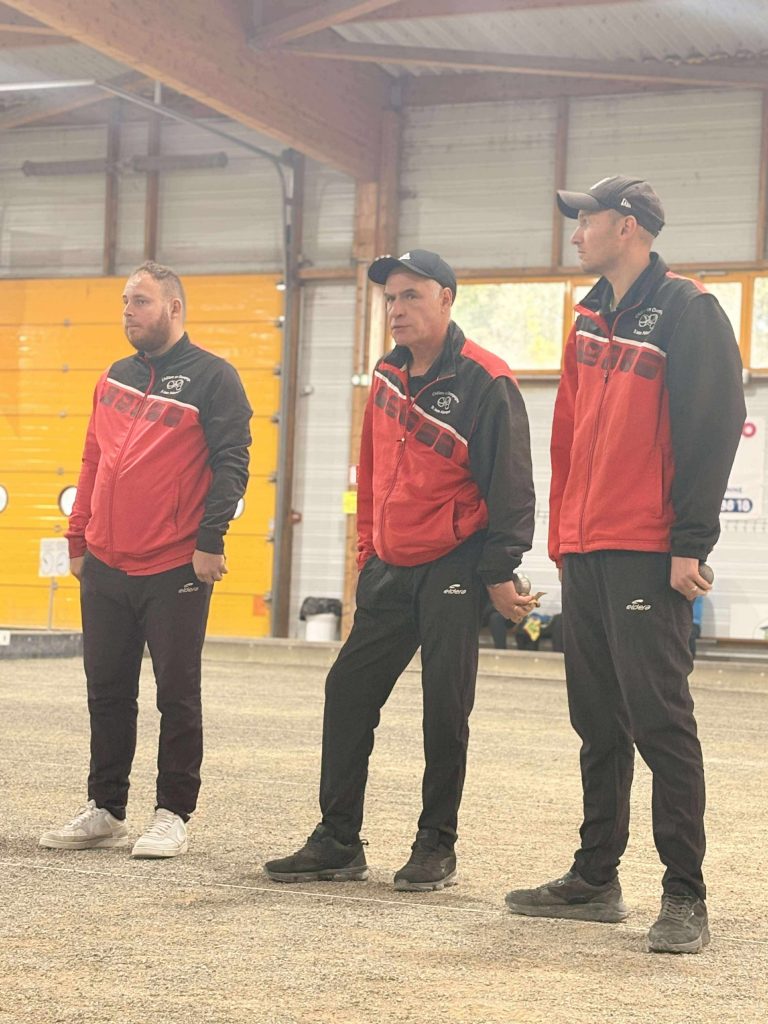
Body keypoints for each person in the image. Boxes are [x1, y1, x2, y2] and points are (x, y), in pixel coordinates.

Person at [504, 177, 746, 953]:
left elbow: (713, 426)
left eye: (588, 220)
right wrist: (563, 539)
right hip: (588, 550)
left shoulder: (687, 310)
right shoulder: (588, 319)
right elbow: (568, 433)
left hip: (647, 550)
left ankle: (685, 895)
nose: (577, 234)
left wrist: (690, 543)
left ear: (628, 226)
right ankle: (594, 878)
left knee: (659, 722)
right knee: (597, 722)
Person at [265, 249, 536, 890]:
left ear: (446, 299)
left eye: (411, 295)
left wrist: (500, 570)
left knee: (445, 706)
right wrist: (368, 551)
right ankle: (337, 841)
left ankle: (435, 845)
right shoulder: (386, 374)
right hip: (389, 564)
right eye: (390, 298)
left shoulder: (486, 380)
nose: (396, 309)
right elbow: (373, 470)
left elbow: (512, 487)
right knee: (348, 690)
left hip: (453, 562)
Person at [39, 261, 252, 858]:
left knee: (176, 693)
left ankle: (172, 813)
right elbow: (93, 460)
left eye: (141, 302)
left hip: (174, 564)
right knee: (106, 689)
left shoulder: (215, 378)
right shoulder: (114, 377)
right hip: (106, 562)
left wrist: (210, 540)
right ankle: (105, 808)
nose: (128, 312)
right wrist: (77, 538)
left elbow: (233, 463)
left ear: (174, 308)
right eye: (125, 301)